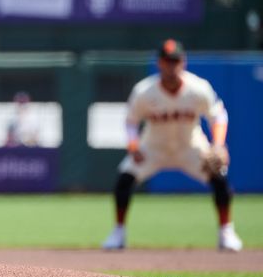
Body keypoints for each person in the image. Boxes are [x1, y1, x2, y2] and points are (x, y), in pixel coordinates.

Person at [102, 39, 243, 252]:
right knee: (124, 179)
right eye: (167, 61)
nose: (172, 66)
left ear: (183, 62)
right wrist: (133, 145)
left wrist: (218, 144)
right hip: (153, 147)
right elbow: (131, 121)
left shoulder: (198, 88)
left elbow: (218, 115)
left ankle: (226, 232)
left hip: (190, 146)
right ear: (159, 63)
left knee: (220, 178)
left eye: (176, 61)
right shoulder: (144, 91)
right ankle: (118, 232)